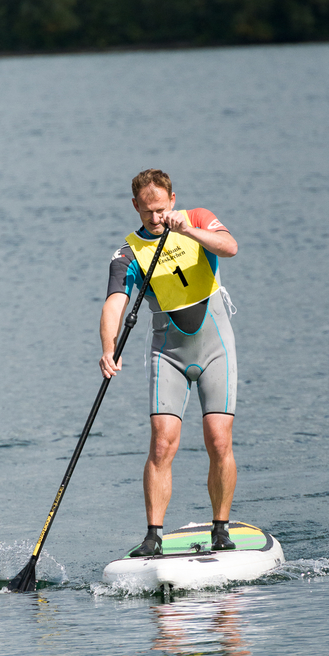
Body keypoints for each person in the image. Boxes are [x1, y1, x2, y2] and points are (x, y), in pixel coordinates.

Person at [100, 168, 239, 557]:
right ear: (135, 207)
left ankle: (221, 529)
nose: (156, 218)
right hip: (168, 353)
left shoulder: (197, 219)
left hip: (215, 349)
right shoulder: (128, 253)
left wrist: (188, 231)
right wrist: (109, 346)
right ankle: (153, 537)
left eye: (161, 210)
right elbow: (114, 303)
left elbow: (230, 247)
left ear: (172, 201)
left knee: (218, 439)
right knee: (162, 444)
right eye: (147, 212)